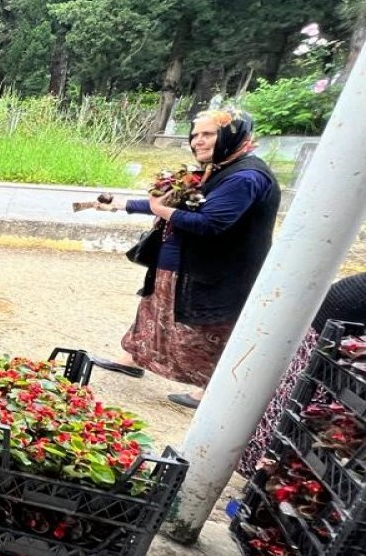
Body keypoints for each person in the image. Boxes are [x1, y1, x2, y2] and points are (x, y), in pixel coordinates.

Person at [91, 109, 281, 409]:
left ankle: (211, 389)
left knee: (207, 329)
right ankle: (132, 357)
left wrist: (159, 210)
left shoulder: (245, 177)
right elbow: (173, 203)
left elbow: (210, 223)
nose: (198, 142)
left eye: (208, 134)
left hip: (218, 272)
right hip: (179, 264)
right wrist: (120, 205)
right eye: (195, 135)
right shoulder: (217, 168)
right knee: (154, 312)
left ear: (233, 135)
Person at [238, 272, 366, 476]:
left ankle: (262, 462)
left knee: (296, 395)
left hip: (332, 322)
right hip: (339, 328)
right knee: (308, 403)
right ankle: (265, 465)